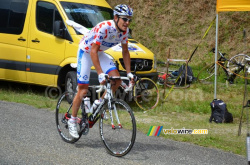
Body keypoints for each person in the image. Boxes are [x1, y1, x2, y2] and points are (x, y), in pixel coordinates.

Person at [68, 4, 134, 138]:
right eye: (124, 19)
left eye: (129, 20)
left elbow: (125, 52)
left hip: (100, 53)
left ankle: (99, 103)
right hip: (86, 52)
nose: (127, 23)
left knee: (117, 80)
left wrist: (129, 73)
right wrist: (100, 74)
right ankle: (72, 120)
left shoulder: (124, 32)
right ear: (116, 18)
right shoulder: (105, 28)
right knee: (83, 89)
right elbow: (93, 51)